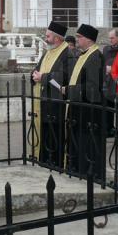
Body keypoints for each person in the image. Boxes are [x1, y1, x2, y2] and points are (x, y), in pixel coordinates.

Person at [32, 21, 76, 167]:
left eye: (48, 36)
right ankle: (43, 160)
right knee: (44, 132)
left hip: (57, 102)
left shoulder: (67, 53)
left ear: (57, 38)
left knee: (54, 133)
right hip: (44, 99)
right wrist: (34, 74)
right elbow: (38, 68)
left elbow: (64, 75)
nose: (46, 39)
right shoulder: (48, 51)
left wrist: (42, 77)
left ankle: (55, 162)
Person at [66, 24, 105, 179]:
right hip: (79, 107)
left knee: (88, 143)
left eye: (79, 37)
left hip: (89, 109)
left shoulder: (95, 56)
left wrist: (69, 90)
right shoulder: (83, 54)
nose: (77, 39)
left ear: (88, 39)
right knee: (78, 141)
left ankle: (89, 172)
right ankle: (77, 168)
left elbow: (92, 87)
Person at [102, 29, 118, 137]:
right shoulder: (106, 49)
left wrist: (113, 69)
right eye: (109, 38)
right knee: (108, 105)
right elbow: (102, 63)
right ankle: (108, 127)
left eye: (112, 38)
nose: (110, 40)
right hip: (108, 82)